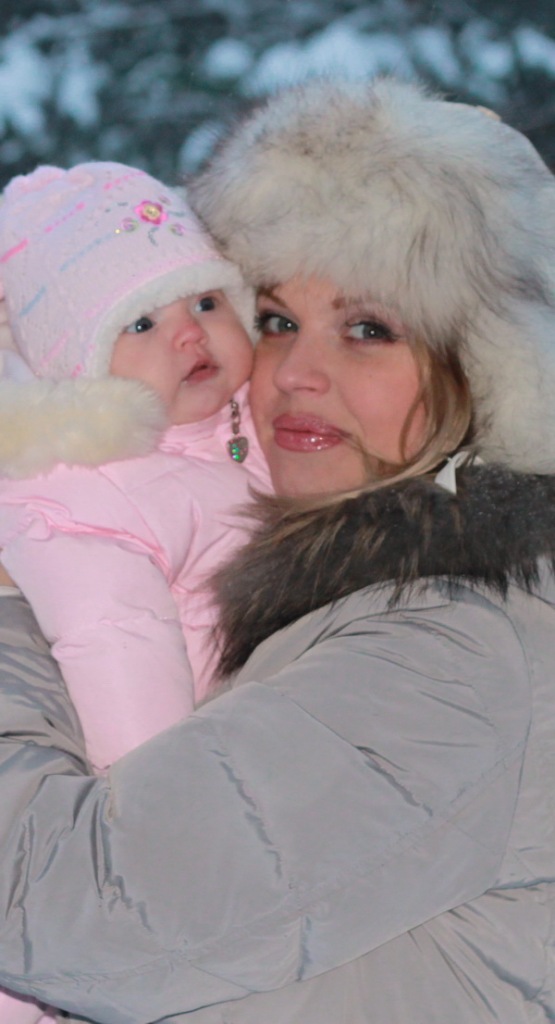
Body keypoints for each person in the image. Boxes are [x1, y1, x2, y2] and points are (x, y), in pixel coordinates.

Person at [0, 75, 554, 1024]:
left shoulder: (447, 650)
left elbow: (59, 912)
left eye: (368, 329)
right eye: (274, 319)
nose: (294, 372)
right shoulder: (348, 602)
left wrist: (11, 603)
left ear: (487, 368)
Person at [0, 162, 269, 1023]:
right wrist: (156, 823)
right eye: (141, 322)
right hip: (129, 806)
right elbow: (109, 639)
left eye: (206, 302)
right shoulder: (88, 481)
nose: (188, 336)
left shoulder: (234, 430)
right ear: (78, 366)